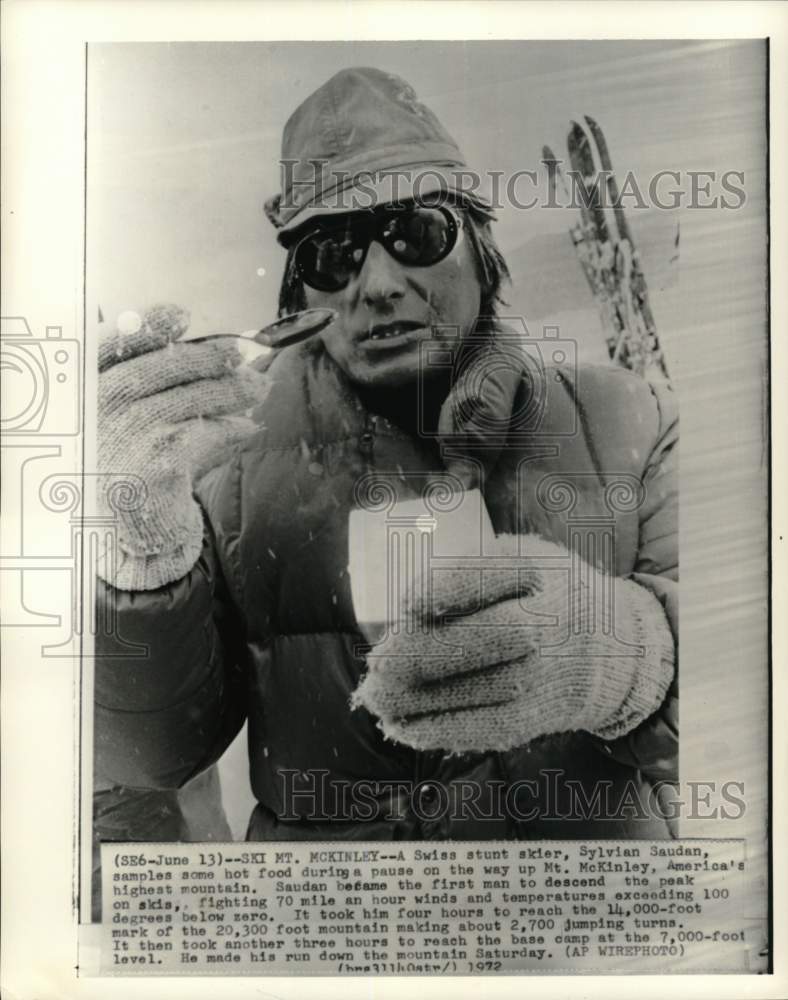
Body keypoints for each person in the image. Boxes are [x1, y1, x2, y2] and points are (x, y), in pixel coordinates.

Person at [94, 67, 678, 843]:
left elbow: (748, 707)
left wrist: (630, 661)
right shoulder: (219, 463)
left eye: (416, 233)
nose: (377, 282)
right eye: (333, 253)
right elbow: (154, 755)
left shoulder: (628, 419)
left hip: (587, 940)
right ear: (300, 293)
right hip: (336, 942)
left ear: (480, 246)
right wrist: (143, 556)